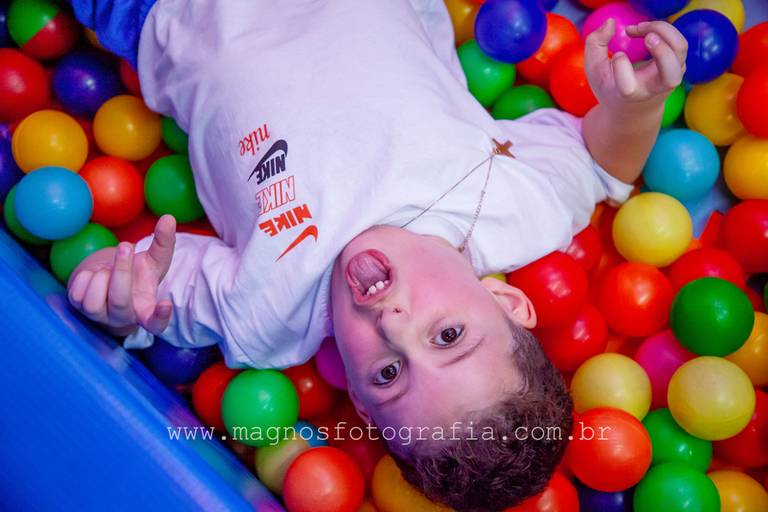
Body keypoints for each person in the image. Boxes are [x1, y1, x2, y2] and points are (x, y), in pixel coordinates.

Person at [65, 0, 687, 509]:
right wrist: (635, 105)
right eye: (447, 336)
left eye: (388, 374)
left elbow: (146, 303)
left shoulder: (267, 317)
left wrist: (117, 297)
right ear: (505, 301)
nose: (393, 326)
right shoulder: (515, 209)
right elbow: (603, 168)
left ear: (359, 400)